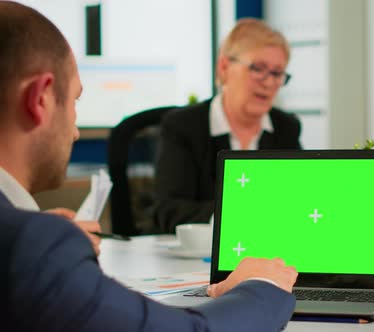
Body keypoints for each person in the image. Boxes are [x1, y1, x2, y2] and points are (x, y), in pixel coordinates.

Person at [0, 3, 297, 331]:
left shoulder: (28, 236)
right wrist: (261, 286)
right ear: (40, 98)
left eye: (277, 73)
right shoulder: (30, 243)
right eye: (75, 102)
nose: (76, 130)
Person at [154, 18, 302, 233]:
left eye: (277, 73)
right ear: (224, 67)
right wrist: (241, 217)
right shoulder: (184, 126)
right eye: (258, 68)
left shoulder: (285, 128)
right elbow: (169, 210)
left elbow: (298, 203)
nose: (269, 82)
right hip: (200, 259)